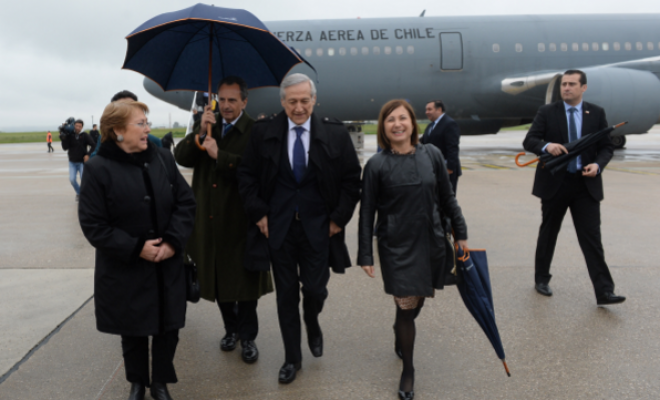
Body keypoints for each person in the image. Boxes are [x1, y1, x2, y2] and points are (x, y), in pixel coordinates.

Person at [237, 73, 361, 384]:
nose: (299, 107)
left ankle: (312, 318)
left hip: (319, 228)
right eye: (292, 101)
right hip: (277, 228)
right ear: (282, 102)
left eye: (304, 100)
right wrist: (258, 214)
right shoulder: (264, 132)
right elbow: (247, 176)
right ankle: (293, 358)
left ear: (314, 100)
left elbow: (351, 181)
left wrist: (338, 219)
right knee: (286, 296)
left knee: (315, 291)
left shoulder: (334, 133)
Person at [78, 100, 196, 400]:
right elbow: (93, 225)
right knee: (132, 329)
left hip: (166, 262)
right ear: (117, 130)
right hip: (125, 265)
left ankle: (160, 382)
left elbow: (186, 202)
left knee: (168, 326)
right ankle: (137, 382)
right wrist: (135, 248)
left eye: (147, 122)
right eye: (140, 123)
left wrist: (172, 241)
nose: (148, 129)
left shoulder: (162, 159)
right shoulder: (98, 169)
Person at [358, 99, 468, 400]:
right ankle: (408, 370)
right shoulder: (376, 165)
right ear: (383, 127)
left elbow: (447, 199)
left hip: (431, 241)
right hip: (396, 246)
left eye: (402, 118)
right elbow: (367, 212)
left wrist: (461, 234)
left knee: (415, 303)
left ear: (412, 123)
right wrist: (365, 254)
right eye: (390, 119)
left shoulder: (431, 154)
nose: (397, 124)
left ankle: (399, 322)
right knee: (407, 306)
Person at [174, 76, 273, 363]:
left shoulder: (256, 130)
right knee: (218, 281)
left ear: (244, 101)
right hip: (209, 218)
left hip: (241, 219)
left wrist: (221, 155)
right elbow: (182, 157)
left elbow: (259, 171)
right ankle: (231, 330)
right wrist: (198, 133)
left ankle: (249, 337)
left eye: (232, 100)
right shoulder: (207, 124)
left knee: (245, 285)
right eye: (222, 99)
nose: (226, 106)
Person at [523, 69, 625, 306]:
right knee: (549, 234)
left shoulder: (596, 113)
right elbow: (529, 140)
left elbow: (606, 147)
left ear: (583, 88)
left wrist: (597, 166)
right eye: (563, 84)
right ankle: (541, 280)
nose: (566, 88)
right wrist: (547, 146)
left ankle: (604, 291)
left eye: (571, 84)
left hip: (585, 185)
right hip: (555, 184)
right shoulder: (547, 112)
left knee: (591, 238)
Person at [90, 91, 162, 159]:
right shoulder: (104, 138)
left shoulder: (154, 142)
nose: (127, 110)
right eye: (121, 108)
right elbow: (94, 161)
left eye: (132, 106)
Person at [421, 100, 462, 195]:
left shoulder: (449, 124)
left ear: (439, 110)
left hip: (446, 170)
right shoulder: (431, 125)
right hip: (434, 169)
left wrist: (450, 168)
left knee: (446, 199)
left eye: (429, 109)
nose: (426, 112)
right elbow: (423, 142)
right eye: (426, 110)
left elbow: (452, 148)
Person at [60, 119, 94, 201]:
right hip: (72, 162)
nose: (78, 127)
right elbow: (65, 148)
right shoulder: (70, 135)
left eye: (80, 126)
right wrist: (64, 137)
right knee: (72, 180)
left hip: (82, 162)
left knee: (84, 180)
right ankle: (79, 193)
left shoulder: (84, 135)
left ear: (82, 127)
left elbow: (93, 145)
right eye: (76, 126)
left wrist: (88, 155)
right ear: (73, 126)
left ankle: (86, 195)